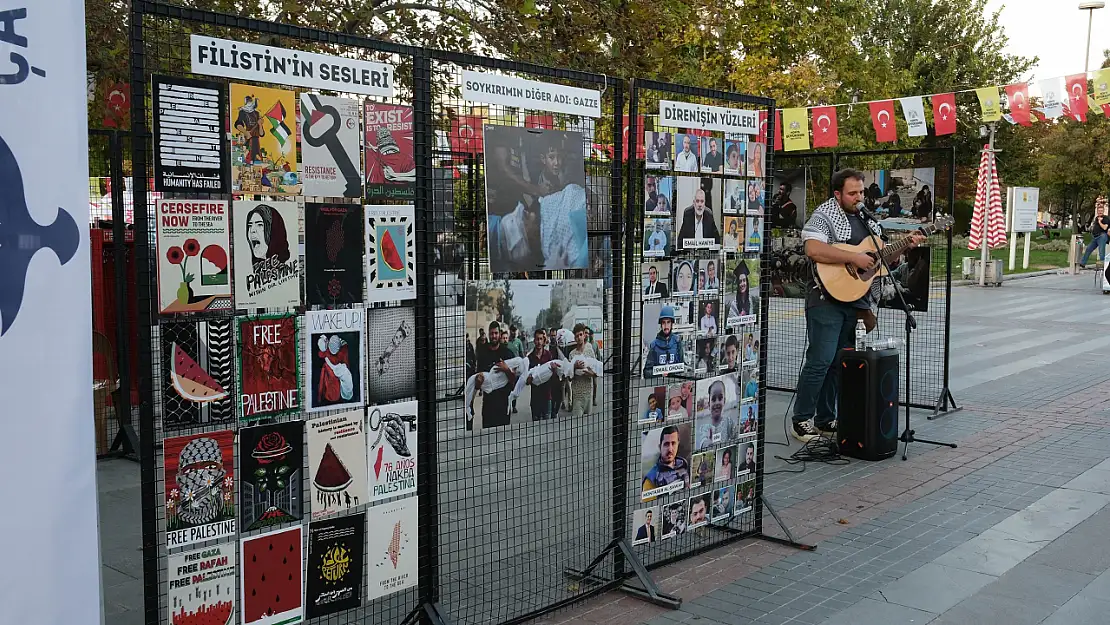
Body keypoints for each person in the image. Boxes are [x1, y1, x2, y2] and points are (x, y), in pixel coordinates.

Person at [791, 169, 924, 443]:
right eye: (852, 193)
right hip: (825, 299)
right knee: (820, 360)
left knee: (838, 363)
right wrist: (854, 257)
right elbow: (813, 249)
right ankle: (801, 419)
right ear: (837, 193)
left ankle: (826, 419)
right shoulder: (824, 215)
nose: (859, 198)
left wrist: (905, 245)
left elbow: (881, 260)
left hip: (854, 301)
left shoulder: (868, 222)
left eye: (861, 192)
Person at [475, 322, 517, 428]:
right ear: (488, 334)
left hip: (503, 405)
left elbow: (513, 381)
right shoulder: (483, 353)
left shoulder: (507, 353)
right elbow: (478, 381)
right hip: (488, 405)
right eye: (491, 333)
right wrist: (478, 382)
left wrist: (506, 370)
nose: (494, 336)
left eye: (496, 333)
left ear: (499, 334)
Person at [642, 425, 690, 491]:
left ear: (678, 444)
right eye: (666, 444)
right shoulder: (651, 478)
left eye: (673, 443)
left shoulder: (684, 464)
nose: (670, 449)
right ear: (660, 447)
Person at [525, 328, 557, 421]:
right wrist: (529, 380)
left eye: (540, 339)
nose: (539, 342)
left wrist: (554, 370)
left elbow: (553, 376)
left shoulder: (548, 355)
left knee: (547, 427)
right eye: (537, 339)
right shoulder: (529, 358)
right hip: (535, 398)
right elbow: (526, 380)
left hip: (547, 397)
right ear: (534, 341)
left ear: (544, 341)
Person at [643, 306, 684, 377]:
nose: (666, 326)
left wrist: (672, 372)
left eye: (668, 322)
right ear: (661, 325)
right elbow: (647, 372)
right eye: (663, 323)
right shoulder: (654, 345)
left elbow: (682, 366)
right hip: (659, 384)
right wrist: (660, 374)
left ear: (672, 324)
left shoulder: (677, 342)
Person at [568, 323, 598, 417]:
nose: (579, 338)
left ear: (584, 335)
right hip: (577, 395)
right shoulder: (572, 354)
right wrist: (574, 366)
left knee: (588, 426)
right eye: (577, 336)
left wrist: (590, 373)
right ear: (574, 338)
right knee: (577, 425)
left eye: (581, 335)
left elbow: (596, 371)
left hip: (588, 393)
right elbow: (569, 377)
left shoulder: (589, 351)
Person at [696, 379, 736, 449]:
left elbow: (736, 436)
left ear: (724, 401)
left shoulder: (729, 422)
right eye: (713, 399)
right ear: (709, 404)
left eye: (720, 398)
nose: (717, 402)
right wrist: (707, 443)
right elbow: (703, 442)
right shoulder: (705, 428)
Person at [1080, 197, 1110, 268]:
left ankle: (1103, 266)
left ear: (1103, 211)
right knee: (1088, 249)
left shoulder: (1105, 218)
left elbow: (1105, 227)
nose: (1100, 212)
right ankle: (1083, 263)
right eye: (1098, 211)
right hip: (1095, 237)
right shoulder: (1096, 218)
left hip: (1102, 236)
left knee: (1101, 251)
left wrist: (1100, 222)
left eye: (1101, 211)